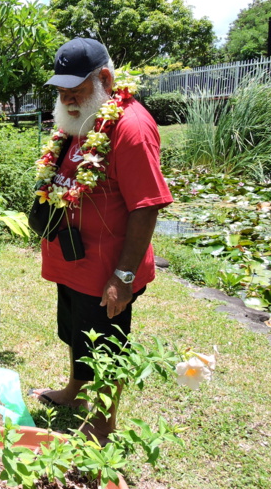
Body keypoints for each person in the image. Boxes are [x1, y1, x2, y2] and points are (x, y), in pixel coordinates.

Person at [29, 37, 173, 443]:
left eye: (76, 93)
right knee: (75, 332)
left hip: (107, 270)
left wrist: (123, 275)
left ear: (105, 79)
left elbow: (146, 206)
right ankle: (75, 393)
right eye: (62, 93)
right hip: (71, 259)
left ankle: (104, 423)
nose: (69, 102)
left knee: (108, 349)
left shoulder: (130, 125)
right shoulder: (77, 120)